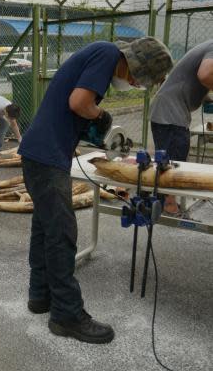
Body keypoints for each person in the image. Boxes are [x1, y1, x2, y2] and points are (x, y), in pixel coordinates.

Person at [18, 37, 173, 344]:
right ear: (136, 66)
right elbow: (79, 103)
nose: (133, 83)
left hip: (40, 152)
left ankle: (40, 296)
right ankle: (66, 315)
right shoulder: (107, 53)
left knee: (45, 228)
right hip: (47, 156)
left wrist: (94, 121)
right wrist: (101, 116)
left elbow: (74, 107)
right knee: (62, 233)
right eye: (138, 79)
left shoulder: (99, 53)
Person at [150, 40, 213, 216]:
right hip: (170, 113)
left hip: (170, 110)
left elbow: (195, 79)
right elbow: (205, 75)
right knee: (173, 161)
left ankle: (164, 202)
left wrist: (206, 98)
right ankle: (168, 205)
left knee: (170, 159)